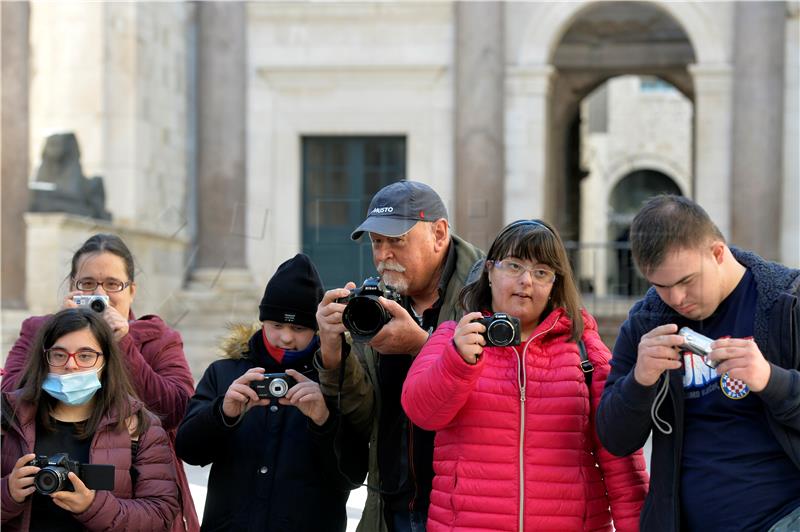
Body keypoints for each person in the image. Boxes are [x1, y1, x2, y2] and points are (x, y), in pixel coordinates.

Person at [400, 219, 648, 531]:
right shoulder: (453, 338)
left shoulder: (585, 350)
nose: (526, 281)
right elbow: (422, 412)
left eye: (541, 272)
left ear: (555, 283)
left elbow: (621, 460)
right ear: (489, 271)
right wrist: (457, 362)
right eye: (514, 266)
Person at [596, 195, 800, 531]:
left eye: (686, 281)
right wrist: (640, 381)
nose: (676, 299)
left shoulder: (786, 302)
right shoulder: (647, 321)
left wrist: (771, 380)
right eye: (660, 286)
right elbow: (615, 439)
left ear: (718, 253)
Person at [315, 180, 484, 532]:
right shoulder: (374, 304)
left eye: (396, 241)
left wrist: (421, 345)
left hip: (467, 509)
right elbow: (365, 416)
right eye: (377, 242)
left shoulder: (487, 293)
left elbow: (503, 397)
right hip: (389, 509)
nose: (382, 256)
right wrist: (334, 355)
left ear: (439, 234)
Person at [1, 233, 198, 531]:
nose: (100, 294)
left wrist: (123, 343)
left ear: (132, 291)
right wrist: (62, 334)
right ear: (72, 286)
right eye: (88, 284)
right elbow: (9, 401)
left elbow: (178, 409)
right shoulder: (38, 330)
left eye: (112, 285)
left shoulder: (157, 338)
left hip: (130, 480)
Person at [176, 254, 362, 531]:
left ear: (316, 330)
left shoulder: (335, 381)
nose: (286, 337)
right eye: (277, 325)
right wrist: (223, 413)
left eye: (299, 328)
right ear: (262, 321)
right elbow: (188, 451)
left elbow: (353, 476)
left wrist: (324, 419)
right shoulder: (225, 373)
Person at [1, 308, 179, 531]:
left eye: (85, 355)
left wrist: (93, 507)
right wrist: (7, 493)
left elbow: (161, 514)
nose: (71, 365)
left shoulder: (139, 426)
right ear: (44, 358)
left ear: (106, 362)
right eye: (59, 354)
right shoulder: (7, 417)